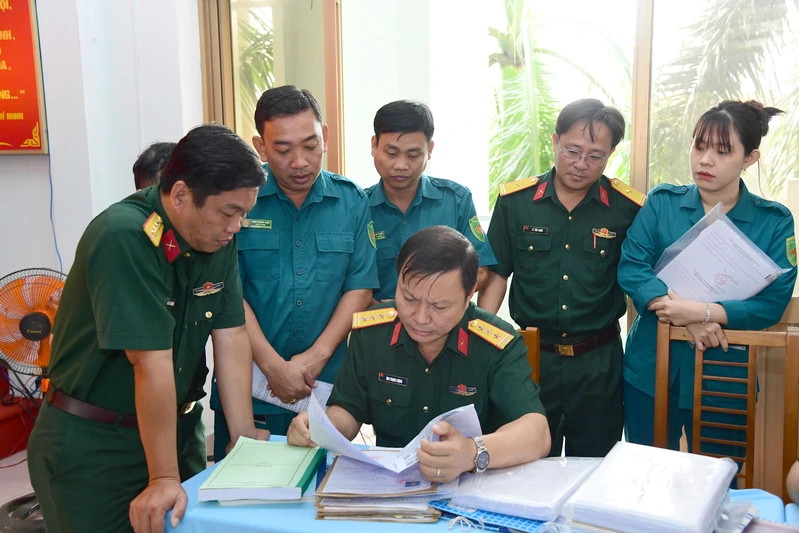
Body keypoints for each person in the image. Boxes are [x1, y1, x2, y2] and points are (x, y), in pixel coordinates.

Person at [27, 124, 270, 533]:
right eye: (229, 213)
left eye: (244, 214)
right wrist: (163, 478)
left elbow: (232, 335)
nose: (237, 226)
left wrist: (241, 438)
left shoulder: (217, 239)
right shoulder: (125, 236)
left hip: (178, 434)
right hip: (96, 447)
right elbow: (149, 362)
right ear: (181, 195)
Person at [287, 226, 551, 481]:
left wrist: (471, 453)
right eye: (409, 299)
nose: (420, 318)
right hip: (390, 485)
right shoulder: (371, 333)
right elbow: (349, 411)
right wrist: (319, 428)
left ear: (469, 294)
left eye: (439, 306)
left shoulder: (496, 343)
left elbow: (537, 433)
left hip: (472, 485)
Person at [619, 100, 797, 458]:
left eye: (722, 151)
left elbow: (772, 302)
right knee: (645, 474)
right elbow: (632, 266)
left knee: (720, 478)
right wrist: (683, 316)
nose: (705, 160)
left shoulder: (774, 221)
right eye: (699, 147)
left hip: (725, 374)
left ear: (750, 158)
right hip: (652, 367)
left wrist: (704, 313)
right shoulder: (662, 203)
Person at [210, 85, 379, 460]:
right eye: (283, 150)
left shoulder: (351, 200)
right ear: (260, 146)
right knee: (243, 487)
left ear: (325, 137)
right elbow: (228, 292)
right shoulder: (240, 201)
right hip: (247, 392)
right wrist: (272, 366)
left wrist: (316, 356)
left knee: (322, 489)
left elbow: (360, 287)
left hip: (324, 390)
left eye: (310, 145)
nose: (300, 162)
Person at [479, 98, 645, 457]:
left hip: (598, 361)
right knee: (530, 462)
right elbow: (496, 276)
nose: (581, 164)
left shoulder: (627, 209)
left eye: (595, 156)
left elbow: (640, 275)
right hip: (532, 357)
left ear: (611, 154)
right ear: (555, 141)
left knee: (597, 464)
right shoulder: (516, 202)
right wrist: (483, 339)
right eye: (572, 151)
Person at [366, 100, 499, 302]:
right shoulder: (359, 206)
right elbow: (349, 279)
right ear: (374, 146)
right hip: (377, 318)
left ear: (430, 149)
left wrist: (425, 302)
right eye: (391, 154)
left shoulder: (456, 201)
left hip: (441, 316)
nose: (401, 165)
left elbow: (480, 272)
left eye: (413, 155)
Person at [133, 140, 206, 482]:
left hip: (188, 414)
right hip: (135, 426)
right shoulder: (127, 246)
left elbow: (231, 330)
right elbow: (148, 362)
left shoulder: (205, 243)